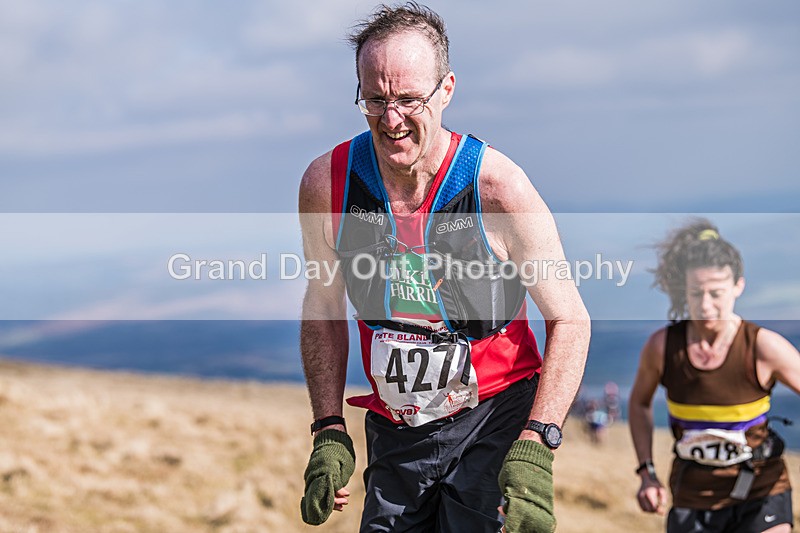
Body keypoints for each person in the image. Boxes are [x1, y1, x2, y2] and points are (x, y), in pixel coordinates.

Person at [297, 3, 590, 532]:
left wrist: (538, 442)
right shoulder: (327, 185)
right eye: (375, 100)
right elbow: (322, 305)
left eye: (409, 100)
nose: (391, 120)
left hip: (493, 423)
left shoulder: (497, 190)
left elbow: (571, 319)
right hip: (395, 430)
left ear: (446, 89)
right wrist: (328, 426)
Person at [628, 219, 800, 532]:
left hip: (762, 491)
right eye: (696, 293)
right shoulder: (662, 347)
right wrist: (646, 472)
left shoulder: (764, 346)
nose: (706, 305)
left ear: (739, 286)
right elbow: (639, 404)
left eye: (716, 293)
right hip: (693, 496)